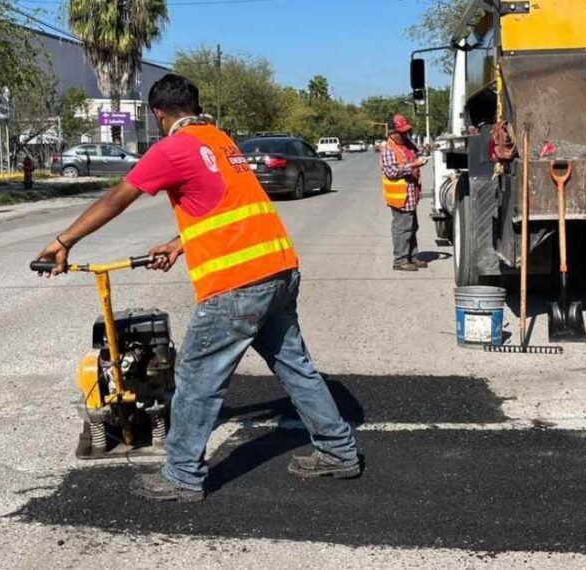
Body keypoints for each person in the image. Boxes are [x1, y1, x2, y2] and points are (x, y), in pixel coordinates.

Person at [33, 74, 360, 503]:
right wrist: (177, 244)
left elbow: (118, 197)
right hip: (278, 270)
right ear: (195, 104)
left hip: (238, 283)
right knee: (295, 366)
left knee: (196, 377)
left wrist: (62, 243)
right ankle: (339, 451)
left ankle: (182, 475)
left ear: (158, 113)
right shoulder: (221, 141)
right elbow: (224, 208)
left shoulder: (171, 148)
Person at [380, 114, 430, 271]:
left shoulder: (408, 144)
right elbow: (391, 172)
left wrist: (423, 155)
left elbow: (419, 151)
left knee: (412, 226)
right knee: (402, 228)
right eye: (401, 132)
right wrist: (413, 165)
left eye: (406, 132)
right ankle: (400, 260)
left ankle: (412, 257)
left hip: (411, 194)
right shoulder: (388, 148)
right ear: (392, 133)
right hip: (400, 197)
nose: (405, 135)